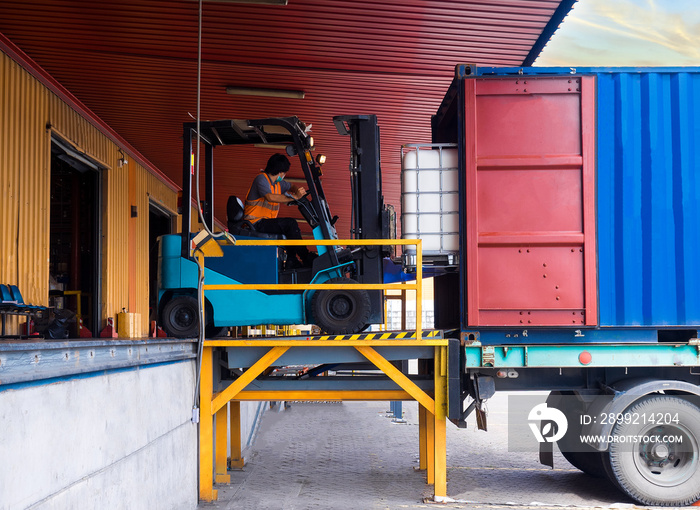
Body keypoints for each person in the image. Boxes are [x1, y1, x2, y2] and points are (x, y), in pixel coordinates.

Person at [244, 153, 316, 268]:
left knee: (290, 230)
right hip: (255, 223)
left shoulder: (277, 184)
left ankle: (291, 260)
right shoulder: (261, 179)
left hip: (265, 222)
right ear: (280, 172)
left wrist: (297, 193)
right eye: (284, 173)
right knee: (290, 224)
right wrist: (294, 197)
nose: (284, 175)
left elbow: (291, 186)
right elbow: (270, 197)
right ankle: (305, 257)